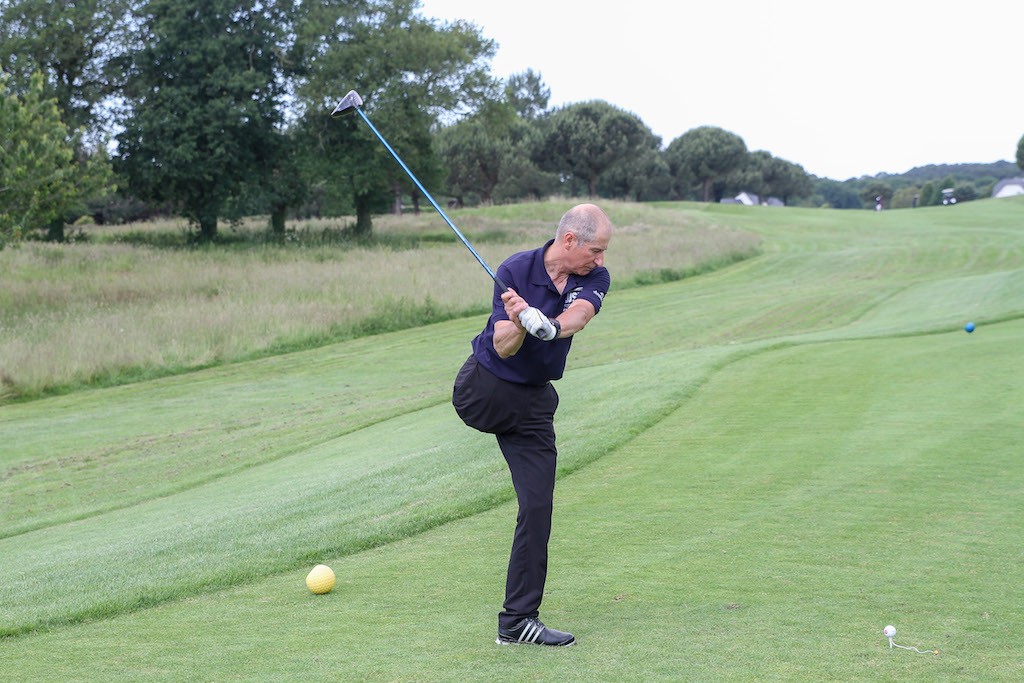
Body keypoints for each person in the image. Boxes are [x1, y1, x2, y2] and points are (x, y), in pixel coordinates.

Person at [452, 203, 612, 647]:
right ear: (569, 241)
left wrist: (548, 325)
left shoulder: (593, 278)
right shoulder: (515, 270)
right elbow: (503, 346)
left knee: (538, 505)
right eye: (595, 250)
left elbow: (579, 316)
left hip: (534, 404)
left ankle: (517, 621)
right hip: (485, 390)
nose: (600, 259)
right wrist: (521, 322)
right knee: (501, 366)